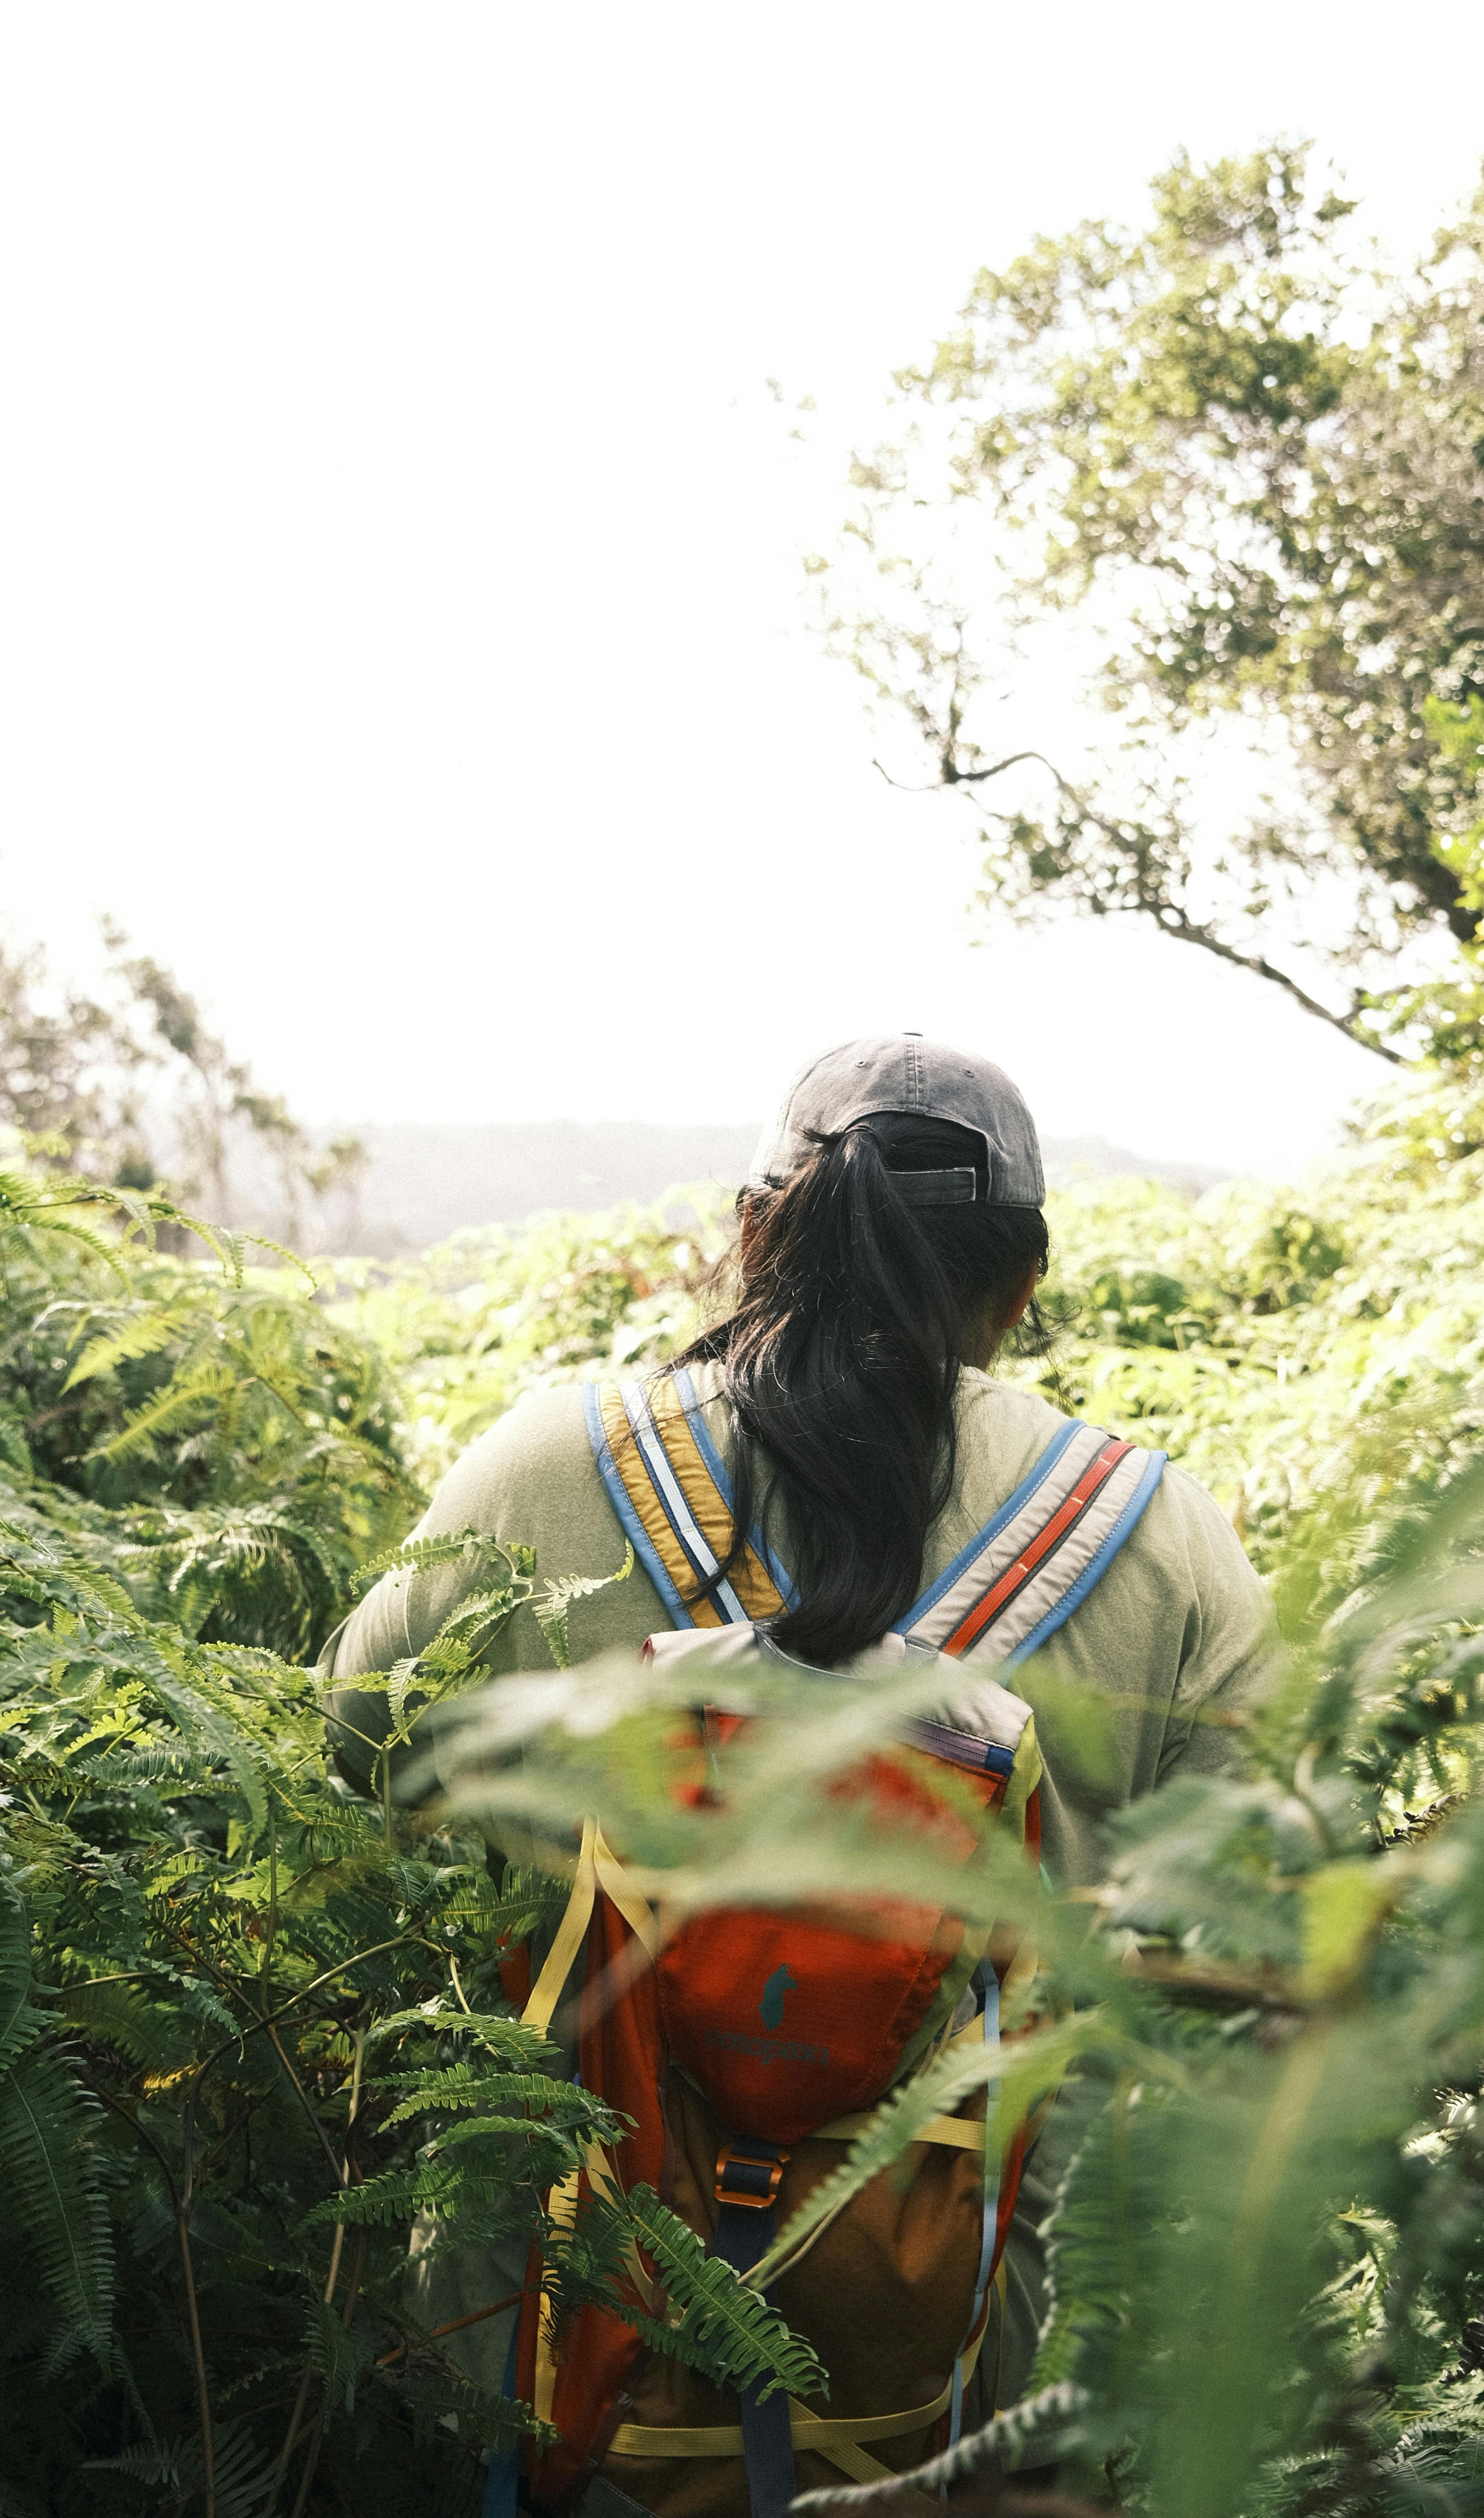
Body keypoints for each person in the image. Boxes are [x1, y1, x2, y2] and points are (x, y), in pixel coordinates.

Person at [324, 1034, 1271, 2503]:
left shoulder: (544, 1467)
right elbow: (1260, 1929)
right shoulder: (1156, 1536)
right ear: (1023, 1285)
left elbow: (356, 1745)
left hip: (539, 2328)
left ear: (756, 1232)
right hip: (949, 2375)